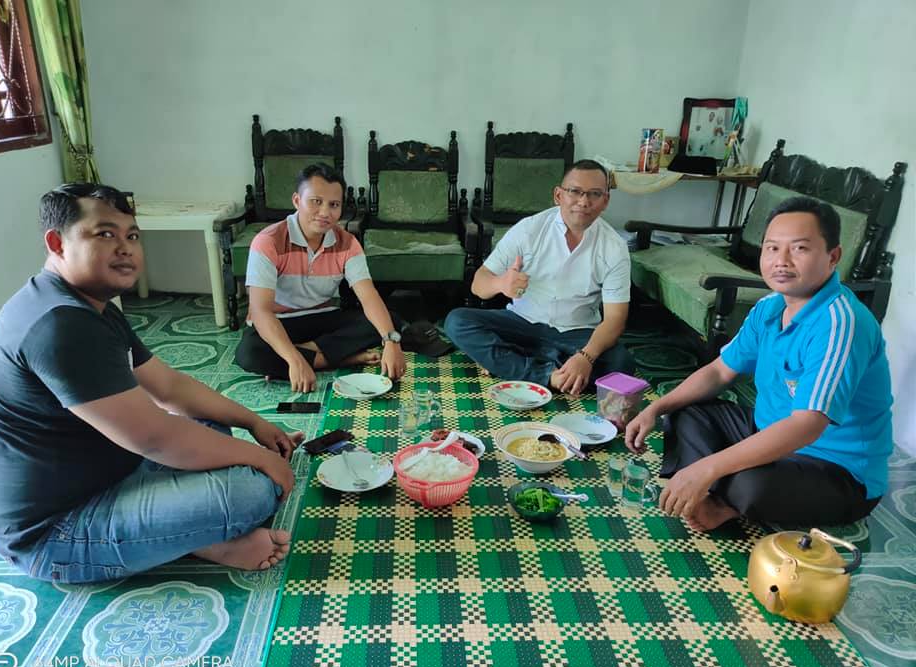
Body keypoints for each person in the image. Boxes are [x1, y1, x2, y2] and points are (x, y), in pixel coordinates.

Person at [0, 183, 302, 584]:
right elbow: (155, 439)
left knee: (210, 424)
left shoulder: (88, 307)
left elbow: (169, 388)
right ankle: (201, 540)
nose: (125, 248)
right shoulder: (61, 326)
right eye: (105, 234)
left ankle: (187, 535)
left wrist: (254, 422)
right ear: (57, 243)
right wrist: (263, 459)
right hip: (57, 532)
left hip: (113, 473)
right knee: (251, 491)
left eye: (131, 236)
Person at [625, 197, 892, 532]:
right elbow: (719, 371)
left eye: (799, 248)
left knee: (750, 485)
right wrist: (656, 408)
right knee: (685, 411)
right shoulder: (770, 307)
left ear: (833, 256)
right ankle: (708, 491)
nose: (781, 261)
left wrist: (708, 467)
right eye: (772, 248)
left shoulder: (841, 323)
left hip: (836, 467)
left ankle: (721, 500)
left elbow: (807, 426)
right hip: (768, 429)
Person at [444, 159, 634, 396]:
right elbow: (478, 284)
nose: (584, 201)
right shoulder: (529, 229)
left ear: (605, 200)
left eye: (594, 194)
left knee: (621, 364)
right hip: (523, 323)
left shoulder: (614, 247)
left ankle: (515, 363)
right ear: (558, 195)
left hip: (578, 333)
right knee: (457, 322)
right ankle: (549, 374)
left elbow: (615, 319)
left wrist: (586, 357)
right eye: (575, 191)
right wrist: (501, 283)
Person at [234, 163, 406, 392]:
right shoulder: (268, 241)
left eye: (334, 205)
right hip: (279, 321)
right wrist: (294, 359)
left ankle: (307, 354)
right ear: (297, 200)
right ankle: (338, 358)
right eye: (316, 201)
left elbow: (368, 296)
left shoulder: (347, 243)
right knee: (249, 352)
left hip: (322, 317)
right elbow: (260, 311)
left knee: (390, 322)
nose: (325, 213)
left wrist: (391, 342)